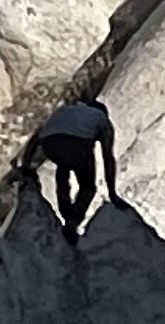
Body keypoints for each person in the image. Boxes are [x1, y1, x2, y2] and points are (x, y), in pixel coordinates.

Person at [25, 98, 116, 234]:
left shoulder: (67, 110)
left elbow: (38, 134)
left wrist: (26, 165)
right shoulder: (102, 119)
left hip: (49, 144)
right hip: (77, 145)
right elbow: (108, 157)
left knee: (63, 168)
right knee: (88, 187)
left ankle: (66, 212)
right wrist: (112, 192)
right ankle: (72, 222)